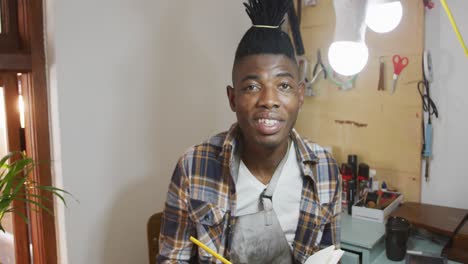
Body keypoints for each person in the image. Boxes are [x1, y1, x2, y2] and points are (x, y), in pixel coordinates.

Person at [157, 0, 341, 263]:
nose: (268, 99)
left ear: (300, 95)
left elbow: (331, 256)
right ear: (232, 98)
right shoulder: (192, 167)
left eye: (284, 86)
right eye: (252, 87)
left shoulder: (326, 171)